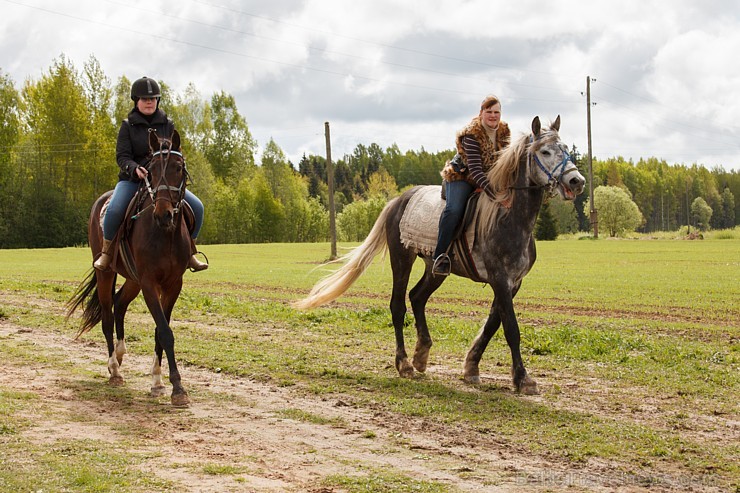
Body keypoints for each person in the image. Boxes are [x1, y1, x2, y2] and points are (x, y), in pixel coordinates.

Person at [94, 76, 208, 272]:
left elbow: (175, 152)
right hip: (133, 180)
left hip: (162, 182)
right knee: (114, 210)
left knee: (197, 207)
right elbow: (122, 156)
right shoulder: (127, 125)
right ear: (136, 101)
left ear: (158, 101)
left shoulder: (167, 124)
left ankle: (190, 252)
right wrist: (134, 168)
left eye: (153, 98)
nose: (149, 102)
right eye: (145, 99)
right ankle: (106, 253)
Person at [432, 94, 511, 276]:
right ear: (481, 113)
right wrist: (497, 195)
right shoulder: (471, 134)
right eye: (489, 112)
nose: (493, 116)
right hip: (463, 175)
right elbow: (475, 171)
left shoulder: (504, 131)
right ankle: (440, 256)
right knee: (454, 210)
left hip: (490, 177)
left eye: (496, 112)